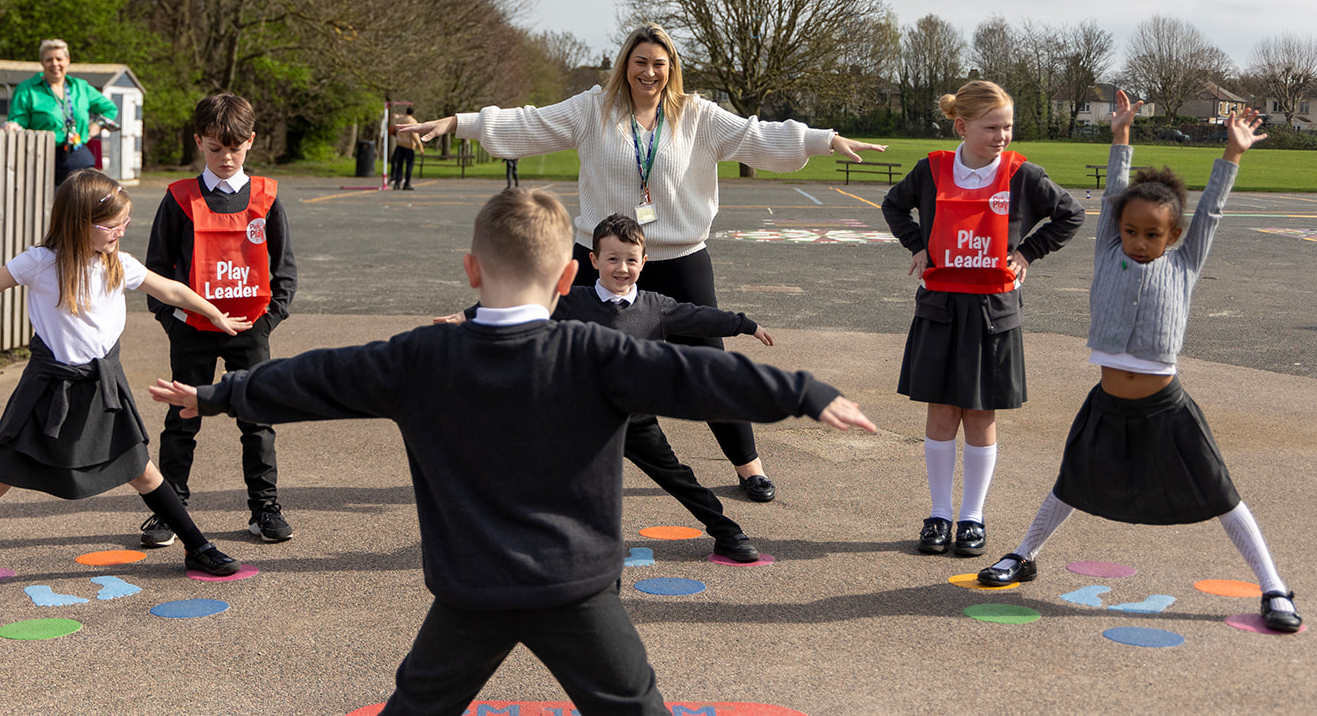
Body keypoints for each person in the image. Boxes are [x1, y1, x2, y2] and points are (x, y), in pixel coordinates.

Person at [149, 187, 875, 715]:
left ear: (471, 269)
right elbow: (703, 374)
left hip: (471, 593)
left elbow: (315, 377)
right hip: (578, 591)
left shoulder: (421, 356)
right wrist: (805, 391)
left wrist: (215, 396)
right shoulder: (596, 351)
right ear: (570, 277)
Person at [411, 23, 885, 502]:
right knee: (559, 358)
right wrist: (457, 123)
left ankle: (749, 468)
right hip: (602, 257)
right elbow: (527, 123)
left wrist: (823, 139)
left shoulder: (697, 116)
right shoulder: (591, 110)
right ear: (626, 65)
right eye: (640, 62)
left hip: (679, 259)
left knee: (708, 366)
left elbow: (756, 135)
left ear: (671, 68)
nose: (650, 72)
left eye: (660, 63)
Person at [975, 92, 1303, 633]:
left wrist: (1233, 153)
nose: (1140, 241)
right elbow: (1112, 195)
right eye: (1131, 230)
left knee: (1222, 495)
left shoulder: (1184, 263)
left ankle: (1273, 587)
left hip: (1165, 408)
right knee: (1070, 483)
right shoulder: (1109, 249)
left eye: (1153, 234)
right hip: (1107, 403)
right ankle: (1023, 554)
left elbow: (1213, 212)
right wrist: (1120, 134)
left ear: (1173, 236)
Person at [0, 169, 248, 615]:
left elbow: (171, 289)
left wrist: (216, 315)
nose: (120, 232)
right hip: (48, 390)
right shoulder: (40, 262)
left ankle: (197, 546)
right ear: (79, 222)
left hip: (103, 390)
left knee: (142, 472)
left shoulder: (120, 264)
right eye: (112, 225)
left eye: (124, 224)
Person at [439, 213, 775, 563]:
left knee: (678, 478)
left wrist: (744, 325)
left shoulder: (656, 308)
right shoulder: (572, 301)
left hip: (636, 420)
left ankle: (727, 531)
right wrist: (466, 316)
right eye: (612, 259)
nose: (622, 268)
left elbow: (701, 316)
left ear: (644, 262)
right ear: (594, 260)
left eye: (631, 260)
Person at [880, 80, 1084, 557]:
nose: (1002, 136)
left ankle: (972, 516)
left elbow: (1069, 215)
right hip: (940, 306)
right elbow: (893, 204)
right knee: (941, 410)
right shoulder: (931, 170)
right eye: (992, 127)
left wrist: (1028, 252)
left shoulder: (1022, 175)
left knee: (980, 413)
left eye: (1007, 126)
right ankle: (938, 514)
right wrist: (917, 244)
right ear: (962, 125)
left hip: (994, 311)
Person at [140, 93, 298, 547]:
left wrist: (269, 319)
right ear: (199, 142)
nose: (225, 158)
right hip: (191, 331)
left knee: (256, 420)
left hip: (249, 331)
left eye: (234, 147)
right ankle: (170, 512)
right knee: (182, 420)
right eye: (214, 148)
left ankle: (264, 508)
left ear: (251, 141)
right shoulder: (180, 198)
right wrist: (172, 320)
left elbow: (283, 265)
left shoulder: (267, 197)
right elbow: (157, 268)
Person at [3, 38, 118, 186]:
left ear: (68, 60)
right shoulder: (27, 90)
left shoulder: (80, 87)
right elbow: (18, 120)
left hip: (78, 156)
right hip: (41, 159)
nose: (55, 64)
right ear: (42, 63)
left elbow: (109, 108)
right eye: (49, 60)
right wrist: (13, 125)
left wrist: (94, 128)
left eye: (59, 59)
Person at [388, 103, 423, 191]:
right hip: (409, 146)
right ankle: (407, 183)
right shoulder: (412, 121)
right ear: (413, 113)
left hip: (400, 144)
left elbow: (396, 117)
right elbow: (415, 135)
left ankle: (397, 183)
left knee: (399, 165)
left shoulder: (401, 119)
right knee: (409, 165)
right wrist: (420, 146)